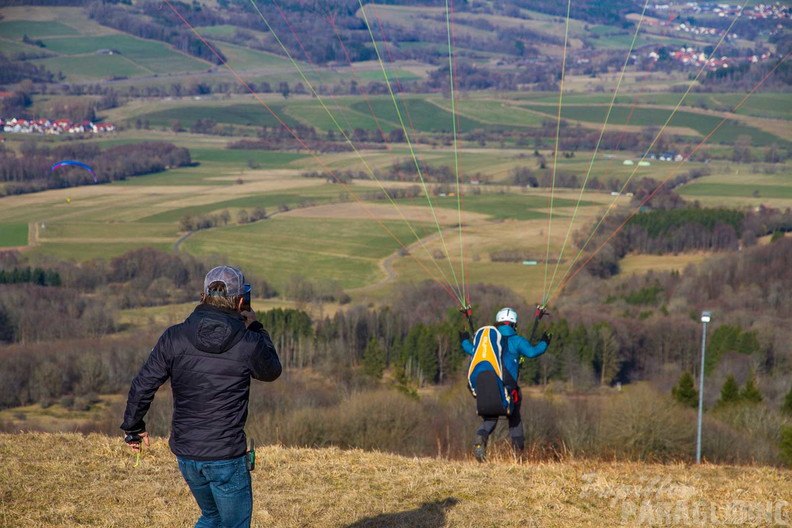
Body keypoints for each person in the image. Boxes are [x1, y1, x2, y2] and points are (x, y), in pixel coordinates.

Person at [121, 265, 281, 528]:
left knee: (212, 517)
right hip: (226, 454)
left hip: (187, 454)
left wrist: (133, 427)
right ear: (241, 301)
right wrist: (257, 327)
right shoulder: (247, 341)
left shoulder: (175, 336)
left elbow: (144, 383)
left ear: (203, 296)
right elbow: (272, 371)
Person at [460, 307, 550, 461]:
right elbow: (532, 352)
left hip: (490, 387)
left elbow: (470, 349)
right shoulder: (517, 341)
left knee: (490, 418)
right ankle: (518, 454)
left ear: (498, 323)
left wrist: (463, 339)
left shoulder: (488, 343)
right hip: (508, 388)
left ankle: (481, 438)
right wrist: (545, 341)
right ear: (514, 325)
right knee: (514, 417)